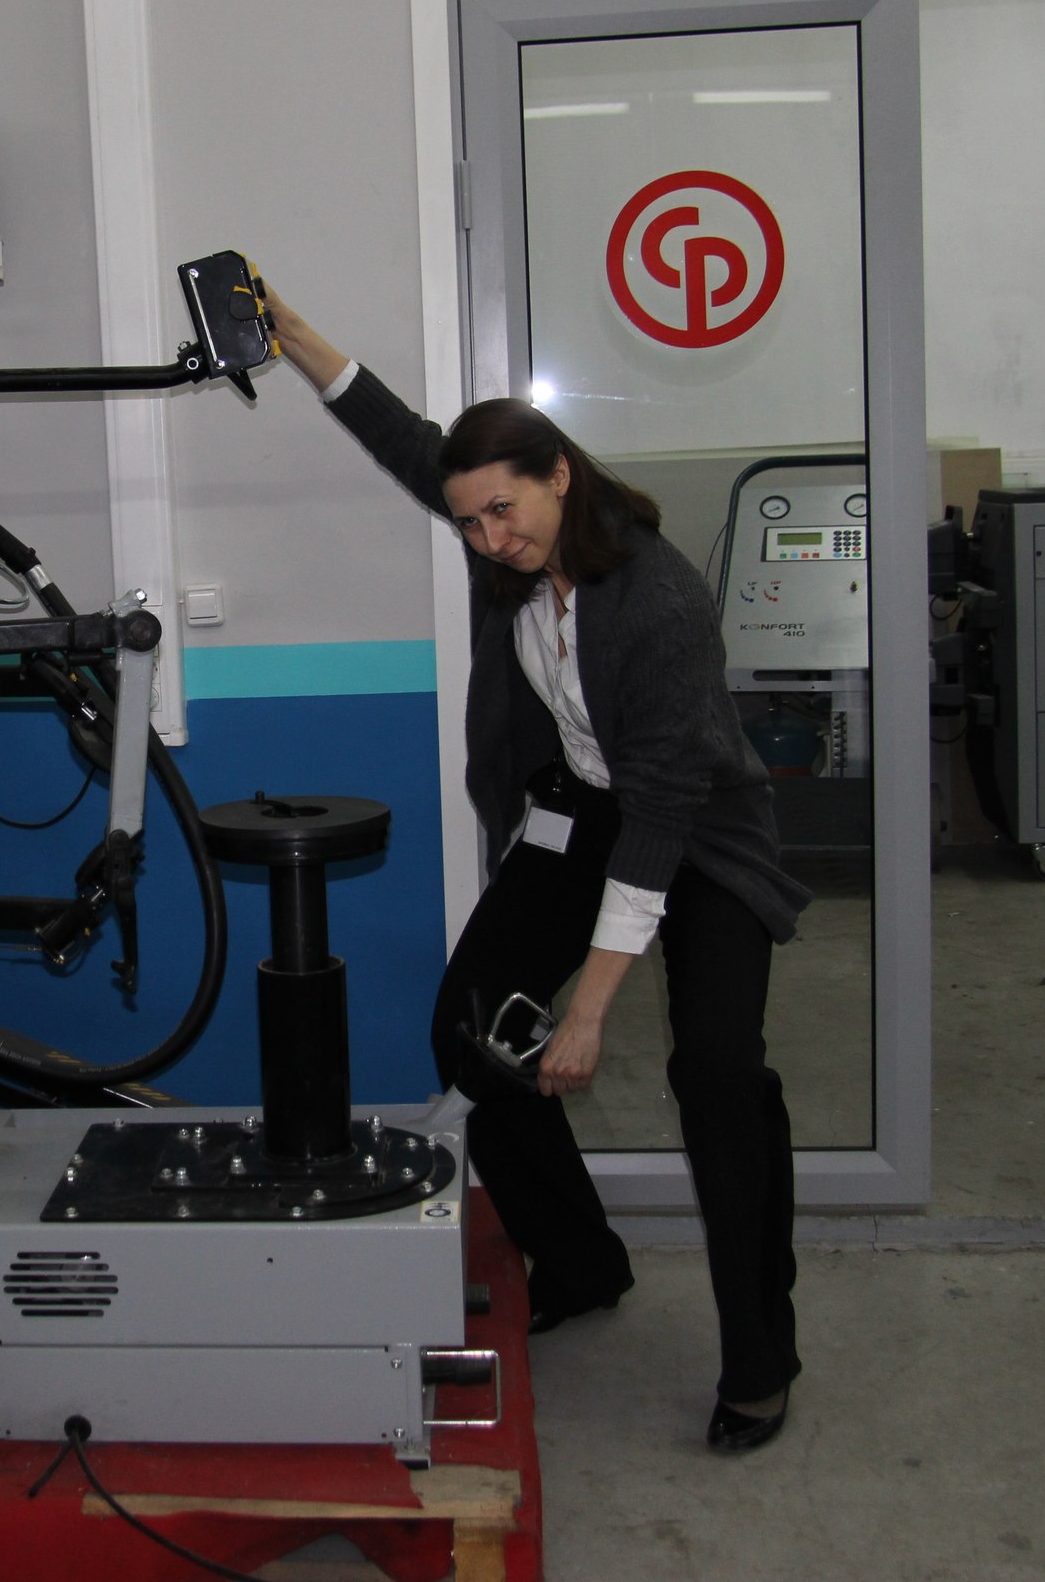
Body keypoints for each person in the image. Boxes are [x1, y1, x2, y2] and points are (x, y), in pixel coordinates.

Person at [261, 288, 811, 1453]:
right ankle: (579, 1261)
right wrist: (288, 328)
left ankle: (760, 1356)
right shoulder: (509, 545)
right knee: (470, 1030)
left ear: (560, 475)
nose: (486, 541)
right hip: (582, 815)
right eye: (468, 522)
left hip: (697, 836)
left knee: (718, 1075)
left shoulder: (658, 601)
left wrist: (589, 1011)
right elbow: (405, 438)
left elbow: (659, 822)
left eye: (501, 514)